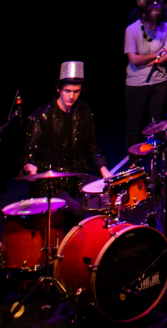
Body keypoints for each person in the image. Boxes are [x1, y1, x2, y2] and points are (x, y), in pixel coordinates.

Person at [23, 62, 110, 226]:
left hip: (77, 177)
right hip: (51, 183)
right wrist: (29, 167)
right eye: (67, 91)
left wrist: (105, 172)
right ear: (58, 89)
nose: (71, 96)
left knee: (109, 196)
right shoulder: (40, 117)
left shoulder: (84, 110)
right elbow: (28, 155)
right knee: (76, 209)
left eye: (76, 92)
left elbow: (92, 148)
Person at [124, 0, 167, 149]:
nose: (153, 27)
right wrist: (157, 55)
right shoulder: (132, 30)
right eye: (151, 24)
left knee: (157, 123)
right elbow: (133, 59)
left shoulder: (165, 27)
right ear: (143, 18)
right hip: (137, 84)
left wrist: (147, 61)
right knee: (135, 124)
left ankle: (155, 161)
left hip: (159, 83)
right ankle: (134, 162)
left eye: (155, 25)